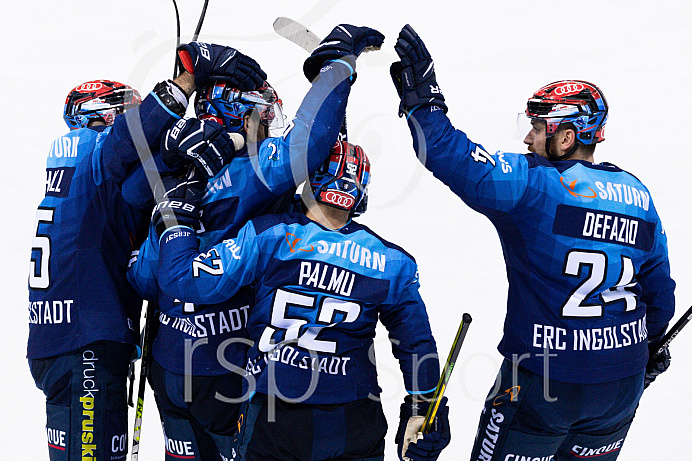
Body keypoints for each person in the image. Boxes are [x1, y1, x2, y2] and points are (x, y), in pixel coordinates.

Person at [389, 25, 676, 461]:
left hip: (542, 386)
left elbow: (447, 154)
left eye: (539, 127)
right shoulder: (639, 195)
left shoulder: (534, 184)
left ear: (567, 136)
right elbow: (661, 294)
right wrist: (643, 354)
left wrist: (423, 101)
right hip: (618, 388)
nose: (527, 138)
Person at [127, 25, 386, 461]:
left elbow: (146, 280)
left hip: (170, 365)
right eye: (261, 114)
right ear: (235, 114)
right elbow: (313, 141)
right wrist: (338, 66)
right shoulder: (255, 171)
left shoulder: (169, 172)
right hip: (226, 370)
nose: (268, 124)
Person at [28, 43, 266, 461]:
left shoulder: (79, 174)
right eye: (126, 109)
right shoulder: (91, 147)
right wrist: (186, 82)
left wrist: (187, 151)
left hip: (67, 337)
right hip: (87, 341)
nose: (134, 119)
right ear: (99, 114)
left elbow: (138, 188)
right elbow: (127, 141)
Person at [150, 139, 451, 461]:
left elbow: (184, 282)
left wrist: (175, 224)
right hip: (356, 420)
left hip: (275, 415)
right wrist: (423, 408)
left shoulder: (270, 235)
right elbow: (416, 343)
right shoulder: (393, 262)